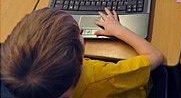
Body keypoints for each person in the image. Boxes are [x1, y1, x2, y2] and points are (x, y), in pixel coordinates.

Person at [1, 8, 164, 97]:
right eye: (80, 33)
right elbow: (156, 56)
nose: (81, 30)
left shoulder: (34, 90)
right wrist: (119, 30)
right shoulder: (104, 76)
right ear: (80, 63)